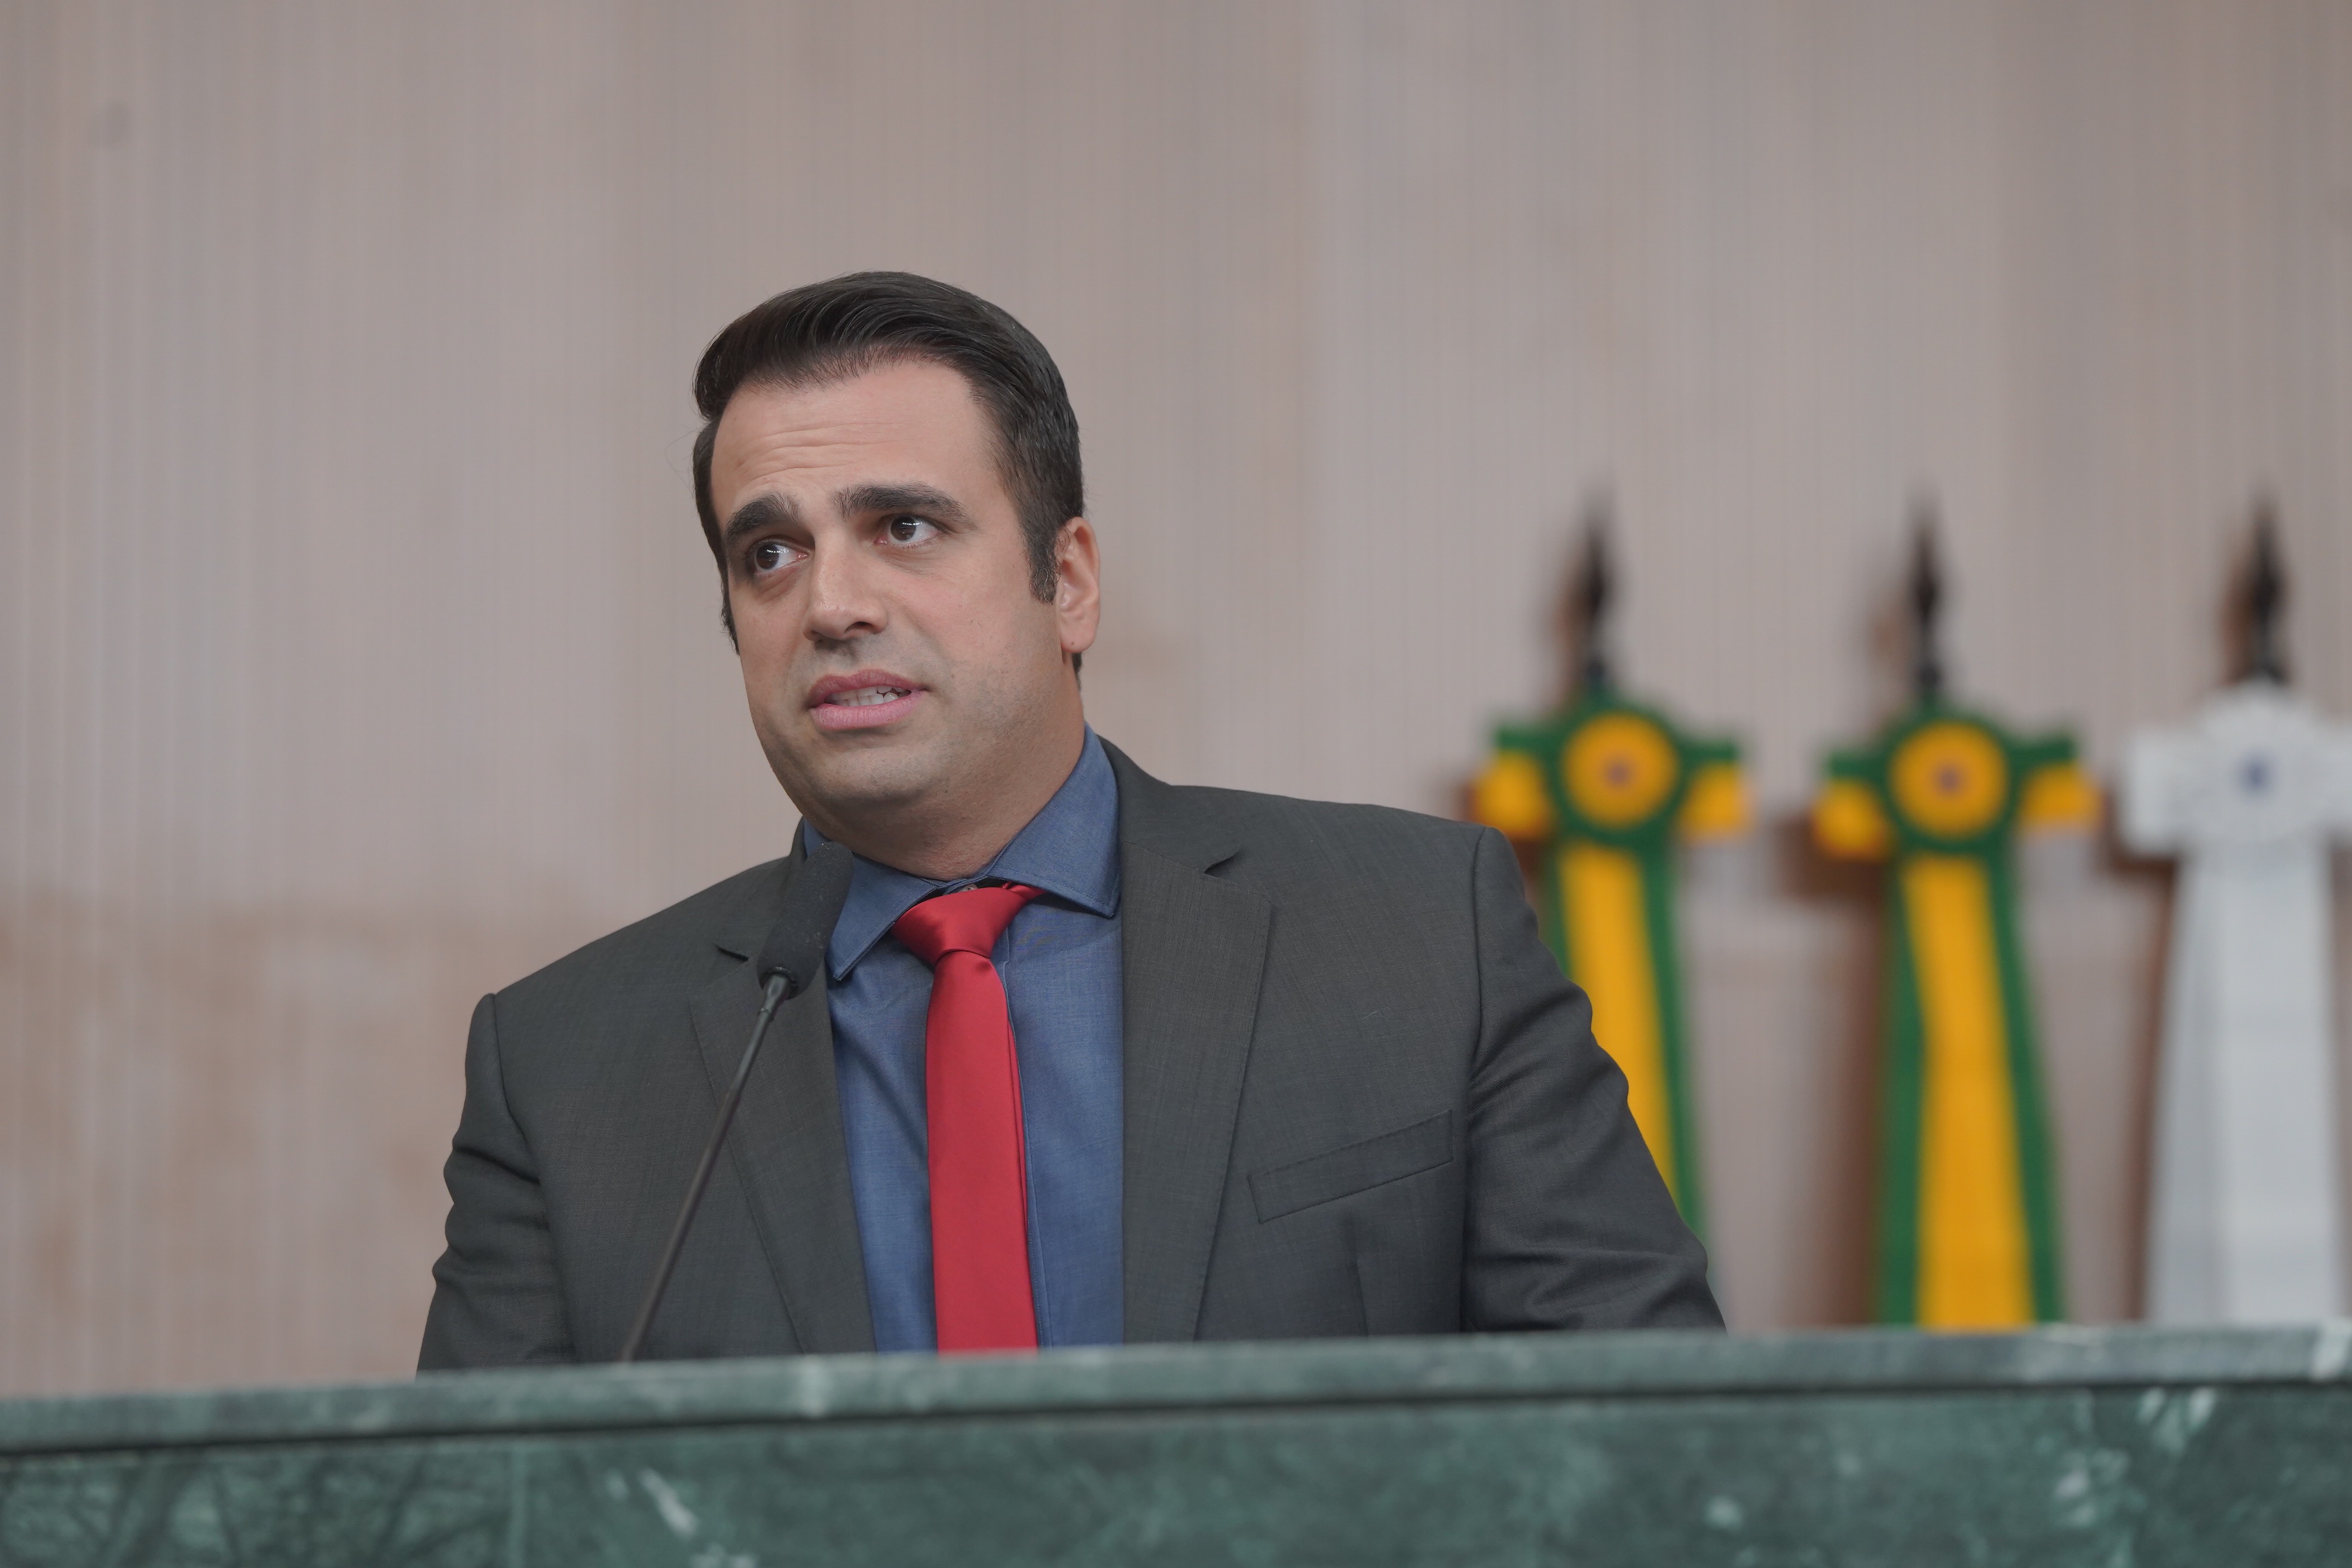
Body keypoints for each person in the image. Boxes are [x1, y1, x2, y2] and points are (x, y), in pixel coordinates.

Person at [418, 272, 1720, 1367]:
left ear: (1071, 580)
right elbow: (480, 1524)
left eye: (904, 526)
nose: (831, 604)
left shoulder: (1419, 935)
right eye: (770, 554)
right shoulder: (566, 1071)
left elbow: (1650, 1441)